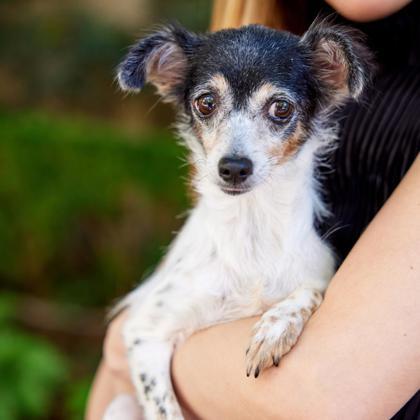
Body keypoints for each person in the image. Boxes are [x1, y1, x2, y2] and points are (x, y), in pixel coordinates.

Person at [86, 0, 420, 418]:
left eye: (278, 110)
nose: (235, 154)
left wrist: (299, 305)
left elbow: (323, 396)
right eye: (209, 105)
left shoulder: (309, 265)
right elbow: (128, 345)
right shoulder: (280, 15)